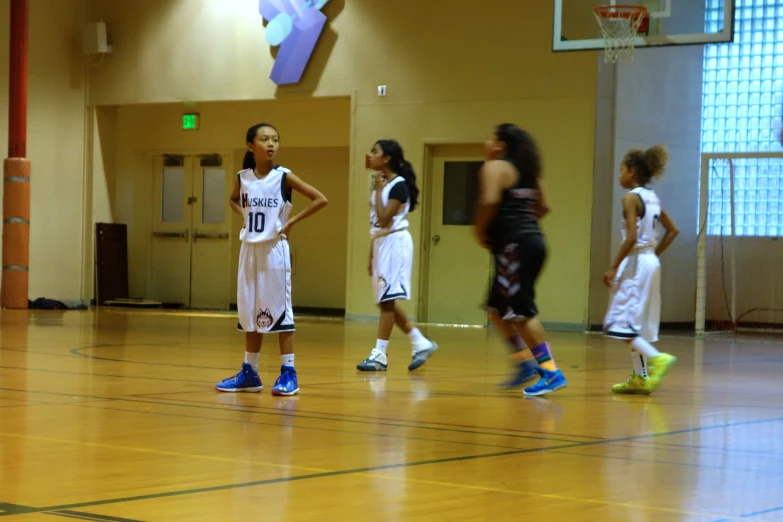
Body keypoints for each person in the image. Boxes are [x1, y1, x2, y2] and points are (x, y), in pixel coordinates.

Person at [216, 123, 328, 395]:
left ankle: (289, 373)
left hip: (274, 250)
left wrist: (291, 222)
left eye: (275, 140)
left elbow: (319, 199)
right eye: (265, 139)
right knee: (250, 312)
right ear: (250, 145)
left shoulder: (283, 176)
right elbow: (232, 200)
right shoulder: (243, 177)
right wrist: (243, 215)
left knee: (279, 312)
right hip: (248, 250)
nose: (271, 144)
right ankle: (249, 372)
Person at [474, 123, 567, 396]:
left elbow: (489, 202)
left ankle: (550, 371)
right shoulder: (530, 174)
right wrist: (524, 225)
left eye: (489, 137)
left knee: (520, 312)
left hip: (515, 247)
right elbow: (545, 207)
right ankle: (525, 364)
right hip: (532, 242)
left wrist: (479, 231)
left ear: (500, 145)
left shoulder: (494, 167)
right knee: (496, 307)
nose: (486, 142)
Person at [356, 139, 438, 372]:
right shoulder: (381, 184)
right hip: (382, 243)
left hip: (396, 243)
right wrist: (372, 255)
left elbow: (384, 220)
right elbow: (376, 225)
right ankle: (420, 342)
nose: (369, 155)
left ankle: (380, 354)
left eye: (374, 152)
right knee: (385, 301)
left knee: (387, 301)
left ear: (387, 159)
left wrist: (379, 190)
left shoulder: (398, 186)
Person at [603, 145, 679, 394]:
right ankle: (640, 377)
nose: (619, 175)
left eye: (621, 170)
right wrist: (653, 255)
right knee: (637, 324)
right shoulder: (652, 198)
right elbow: (673, 230)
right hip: (650, 262)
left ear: (632, 171)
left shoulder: (630, 198)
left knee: (621, 322)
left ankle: (658, 359)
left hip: (637, 262)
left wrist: (613, 266)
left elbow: (632, 236)